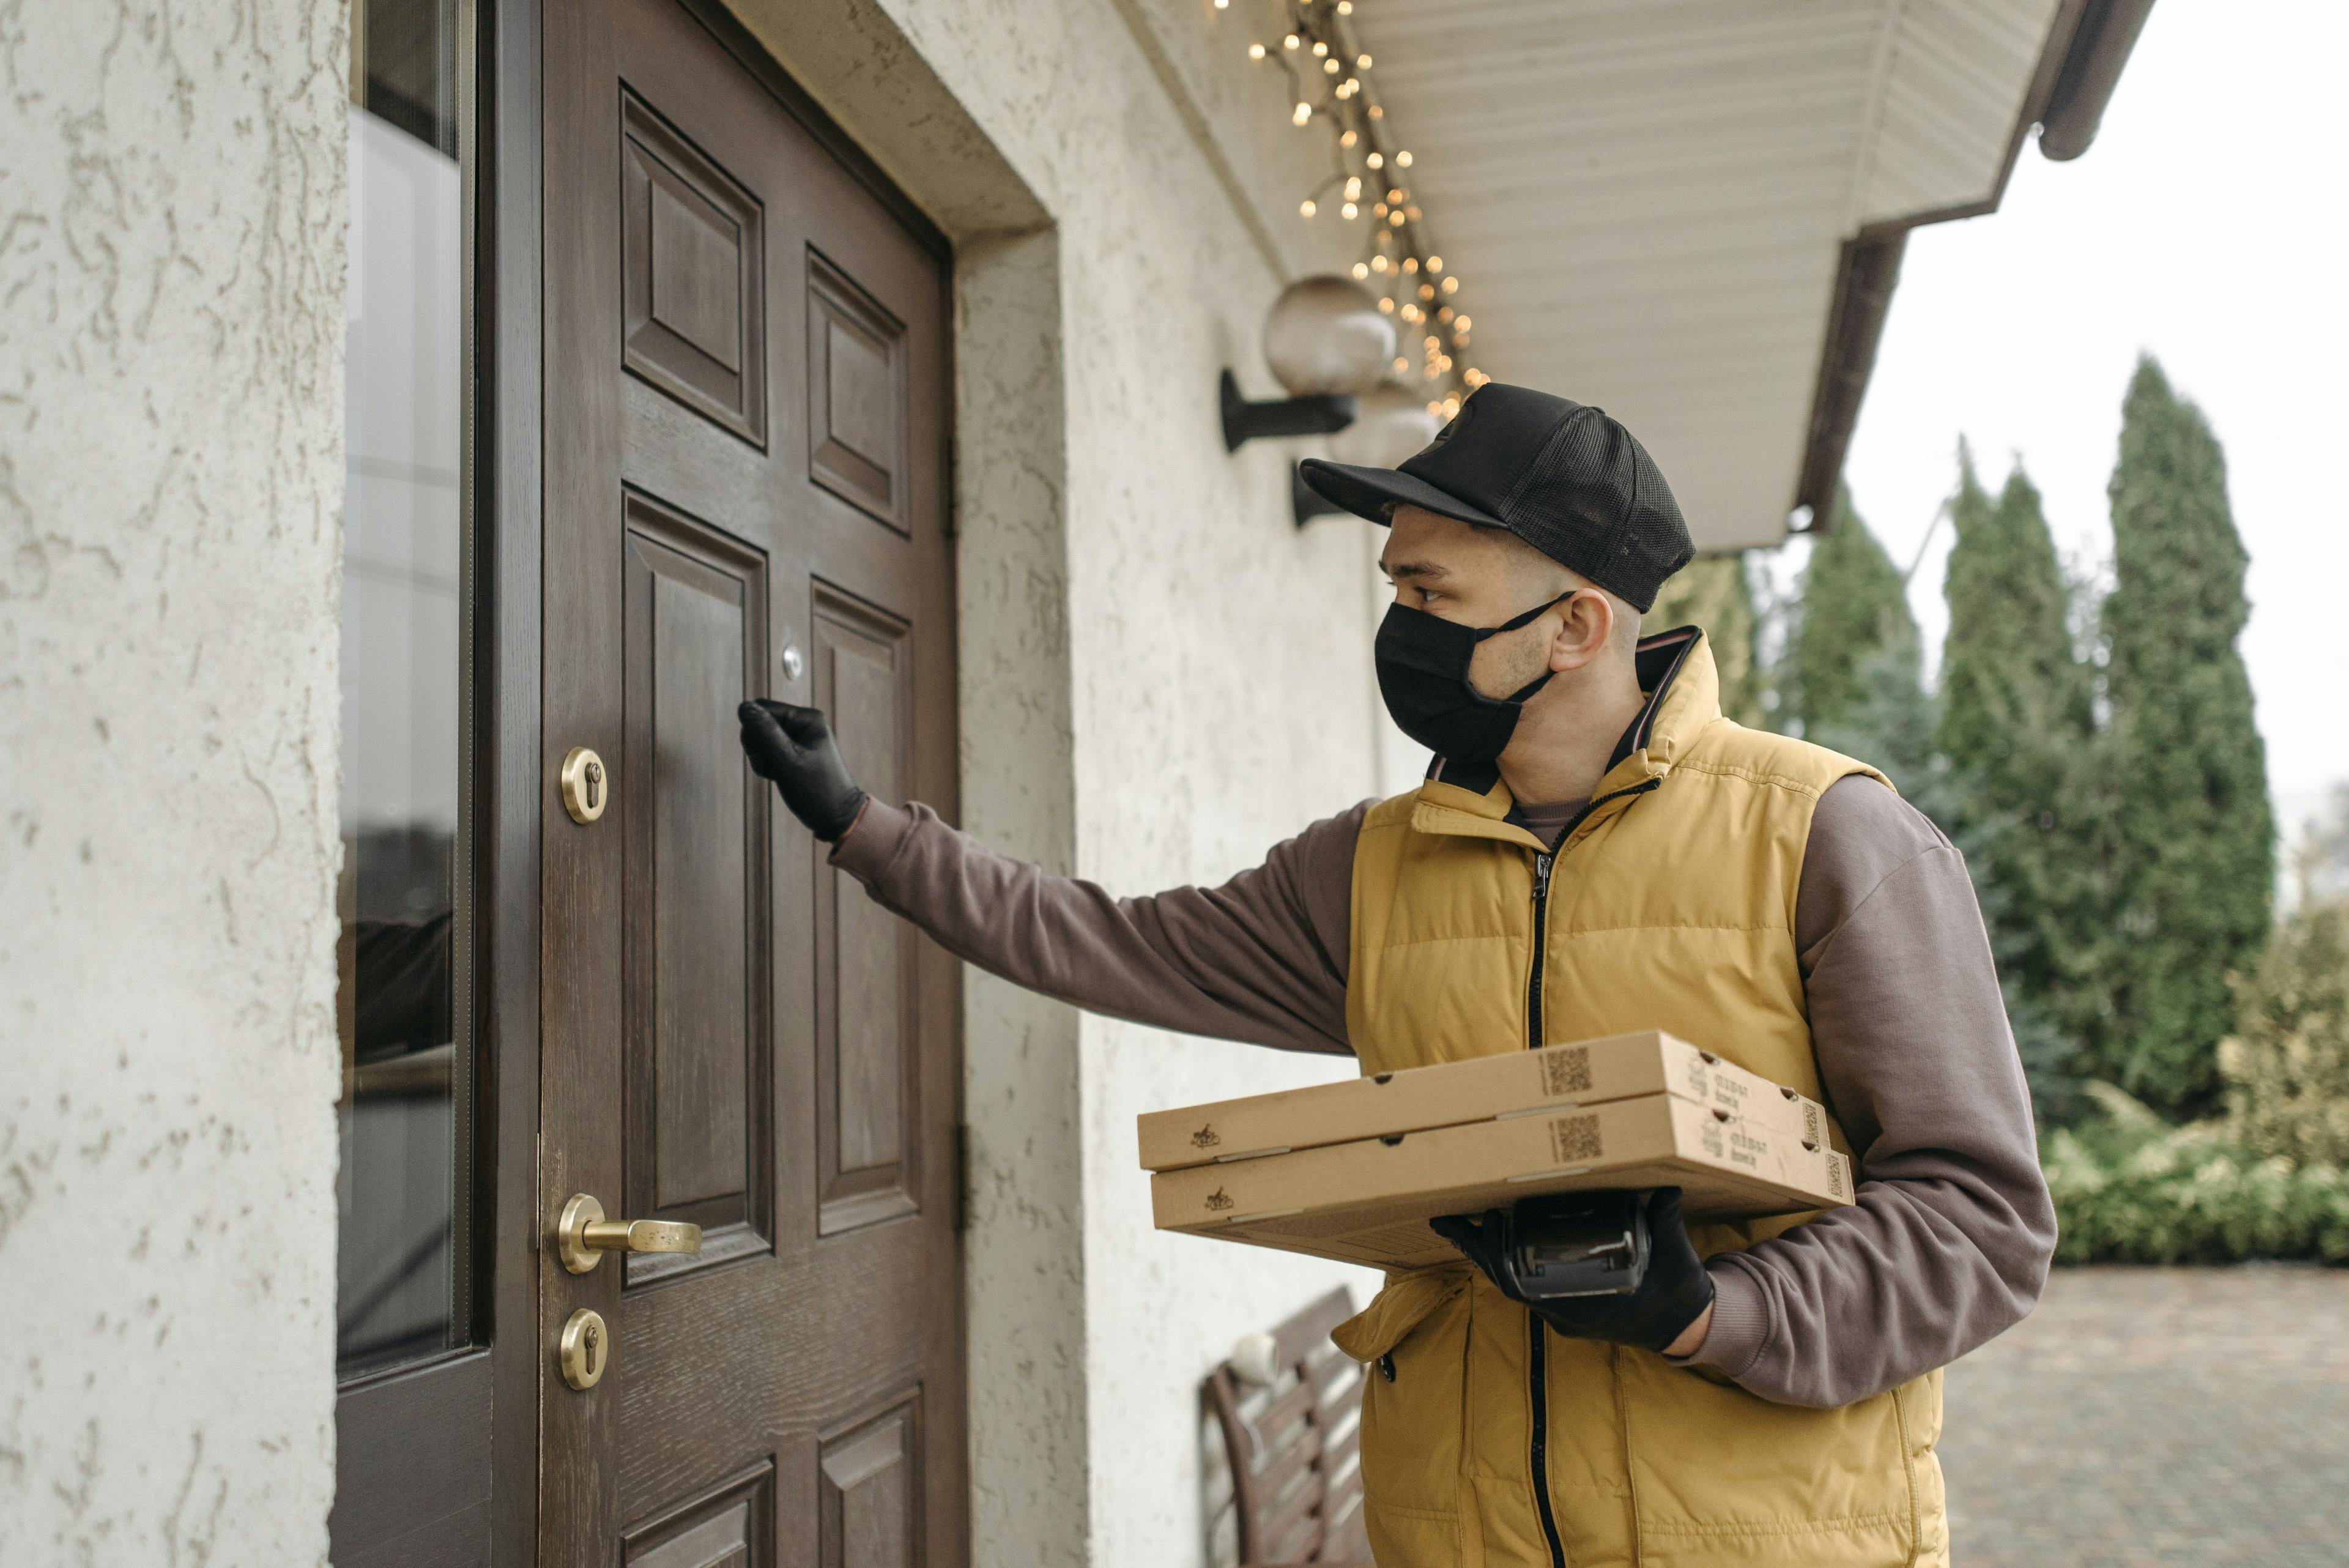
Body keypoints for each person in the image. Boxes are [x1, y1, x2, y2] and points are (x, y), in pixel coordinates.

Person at [740, 383, 2053, 1568]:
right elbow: (1112, 939)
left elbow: (1980, 1217)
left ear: (1577, 624)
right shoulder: (1369, 866)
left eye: (1431, 597)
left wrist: (1711, 1312)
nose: (1398, 628)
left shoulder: (1827, 833)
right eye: (1395, 591)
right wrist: (865, 828)